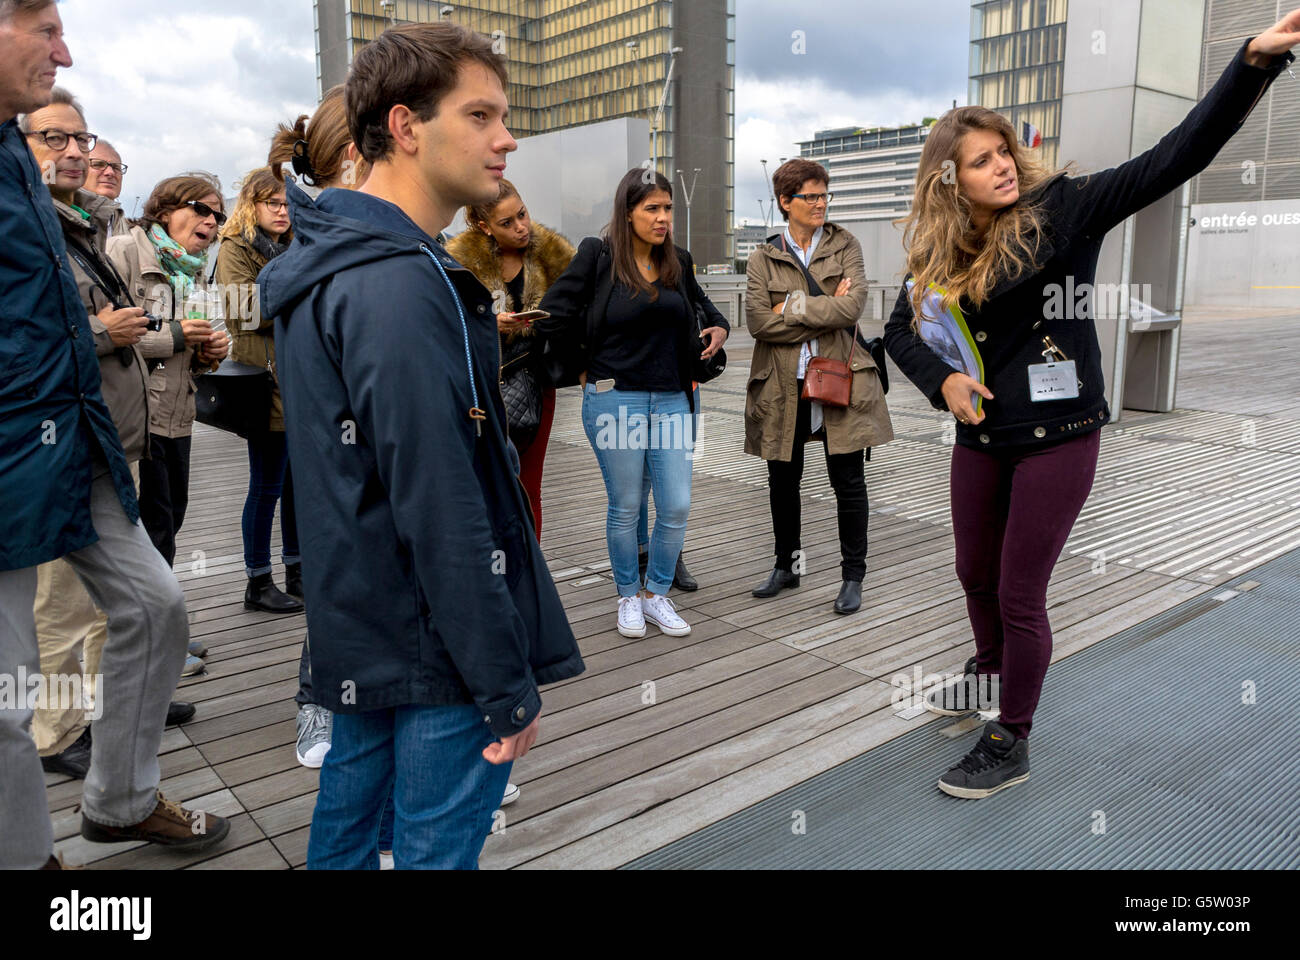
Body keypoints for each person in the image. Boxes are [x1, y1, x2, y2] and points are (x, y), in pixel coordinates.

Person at [883, 11, 1300, 800]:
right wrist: (940, 383)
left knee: (1017, 591)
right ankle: (987, 678)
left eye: (1004, 150)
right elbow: (899, 330)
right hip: (980, 437)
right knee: (973, 573)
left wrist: (1252, 63)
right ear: (951, 179)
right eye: (981, 160)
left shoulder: (1063, 211)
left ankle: (1012, 740)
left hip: (1059, 436)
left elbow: (1176, 157)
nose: (1003, 166)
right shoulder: (936, 251)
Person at [260, 22, 584, 869]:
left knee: (351, 839)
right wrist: (505, 685)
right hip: (435, 644)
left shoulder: (332, 260)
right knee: (435, 853)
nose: (506, 137)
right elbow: (440, 502)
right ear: (405, 127)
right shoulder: (398, 283)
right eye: (480, 116)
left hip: (363, 622)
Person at [0, 0, 228, 870]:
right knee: (8, 691)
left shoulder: (31, 180)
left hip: (75, 442)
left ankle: (121, 801)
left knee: (156, 606)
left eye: (82, 143)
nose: (66, 47)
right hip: (12, 455)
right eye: (41, 24)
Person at [23, 87, 197, 780]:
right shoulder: (28, 230)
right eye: (52, 139)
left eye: (80, 139)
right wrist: (105, 333)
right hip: (58, 447)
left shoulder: (82, 228)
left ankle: (101, 713)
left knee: (109, 605)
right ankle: (55, 732)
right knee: (61, 604)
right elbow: (27, 340)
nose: (74, 152)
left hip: (108, 440)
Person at [538, 168, 729, 640]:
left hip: (671, 401)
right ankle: (628, 594)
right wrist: (583, 370)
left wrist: (720, 328)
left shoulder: (678, 262)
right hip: (615, 401)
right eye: (652, 209)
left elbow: (708, 309)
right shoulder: (598, 256)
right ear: (628, 213)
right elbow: (551, 316)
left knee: (676, 505)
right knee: (625, 504)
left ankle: (655, 594)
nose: (663, 217)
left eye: (667, 208)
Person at [265, 84, 370, 771]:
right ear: (359, 157)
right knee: (340, 575)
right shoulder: (307, 265)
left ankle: (437, 741)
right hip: (339, 458)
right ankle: (318, 699)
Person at [745, 158, 893, 615]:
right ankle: (786, 566)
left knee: (848, 481)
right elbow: (756, 322)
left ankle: (853, 576)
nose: (820, 203)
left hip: (840, 380)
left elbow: (852, 309)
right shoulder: (762, 255)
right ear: (785, 202)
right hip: (782, 385)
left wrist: (789, 307)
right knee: (782, 479)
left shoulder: (846, 243)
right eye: (810, 196)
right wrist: (822, 305)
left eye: (825, 194)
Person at [107, 175, 230, 606]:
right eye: (202, 209)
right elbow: (105, 334)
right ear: (164, 209)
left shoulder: (195, 275)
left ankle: (160, 626)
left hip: (179, 417)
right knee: (150, 528)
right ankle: (156, 631)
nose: (212, 221)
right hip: (137, 416)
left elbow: (192, 348)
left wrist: (209, 351)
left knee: (171, 519)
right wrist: (177, 336)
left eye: (219, 215)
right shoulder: (123, 252)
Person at [446, 178, 575, 540]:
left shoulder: (553, 256)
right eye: (507, 223)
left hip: (534, 385)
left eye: (522, 215)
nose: (521, 227)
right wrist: (488, 324)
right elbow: (443, 321)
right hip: (480, 389)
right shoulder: (460, 262)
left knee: (528, 486)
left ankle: (529, 573)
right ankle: (491, 570)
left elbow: (580, 312)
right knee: (483, 485)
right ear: (484, 226)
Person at [214, 168, 304, 616]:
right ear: (253, 205)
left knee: (296, 485)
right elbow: (242, 312)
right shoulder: (235, 248)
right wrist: (298, 296)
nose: (283, 212)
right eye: (274, 203)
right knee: (266, 484)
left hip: (299, 380)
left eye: (288, 204)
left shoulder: (295, 245)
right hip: (263, 381)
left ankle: (298, 570)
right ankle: (257, 580)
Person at [83, 138, 128, 236]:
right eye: (98, 164)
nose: (110, 172)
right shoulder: (59, 220)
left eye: (116, 167)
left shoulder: (134, 235)